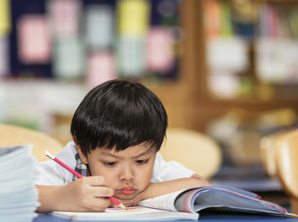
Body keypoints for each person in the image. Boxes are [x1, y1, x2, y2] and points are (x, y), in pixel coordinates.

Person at [35, 79, 210, 213]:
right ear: (82, 151)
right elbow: (11, 194)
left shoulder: (152, 163)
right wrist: (63, 196)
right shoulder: (65, 167)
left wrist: (140, 195)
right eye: (111, 163)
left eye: (141, 161)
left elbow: (201, 185)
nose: (128, 176)